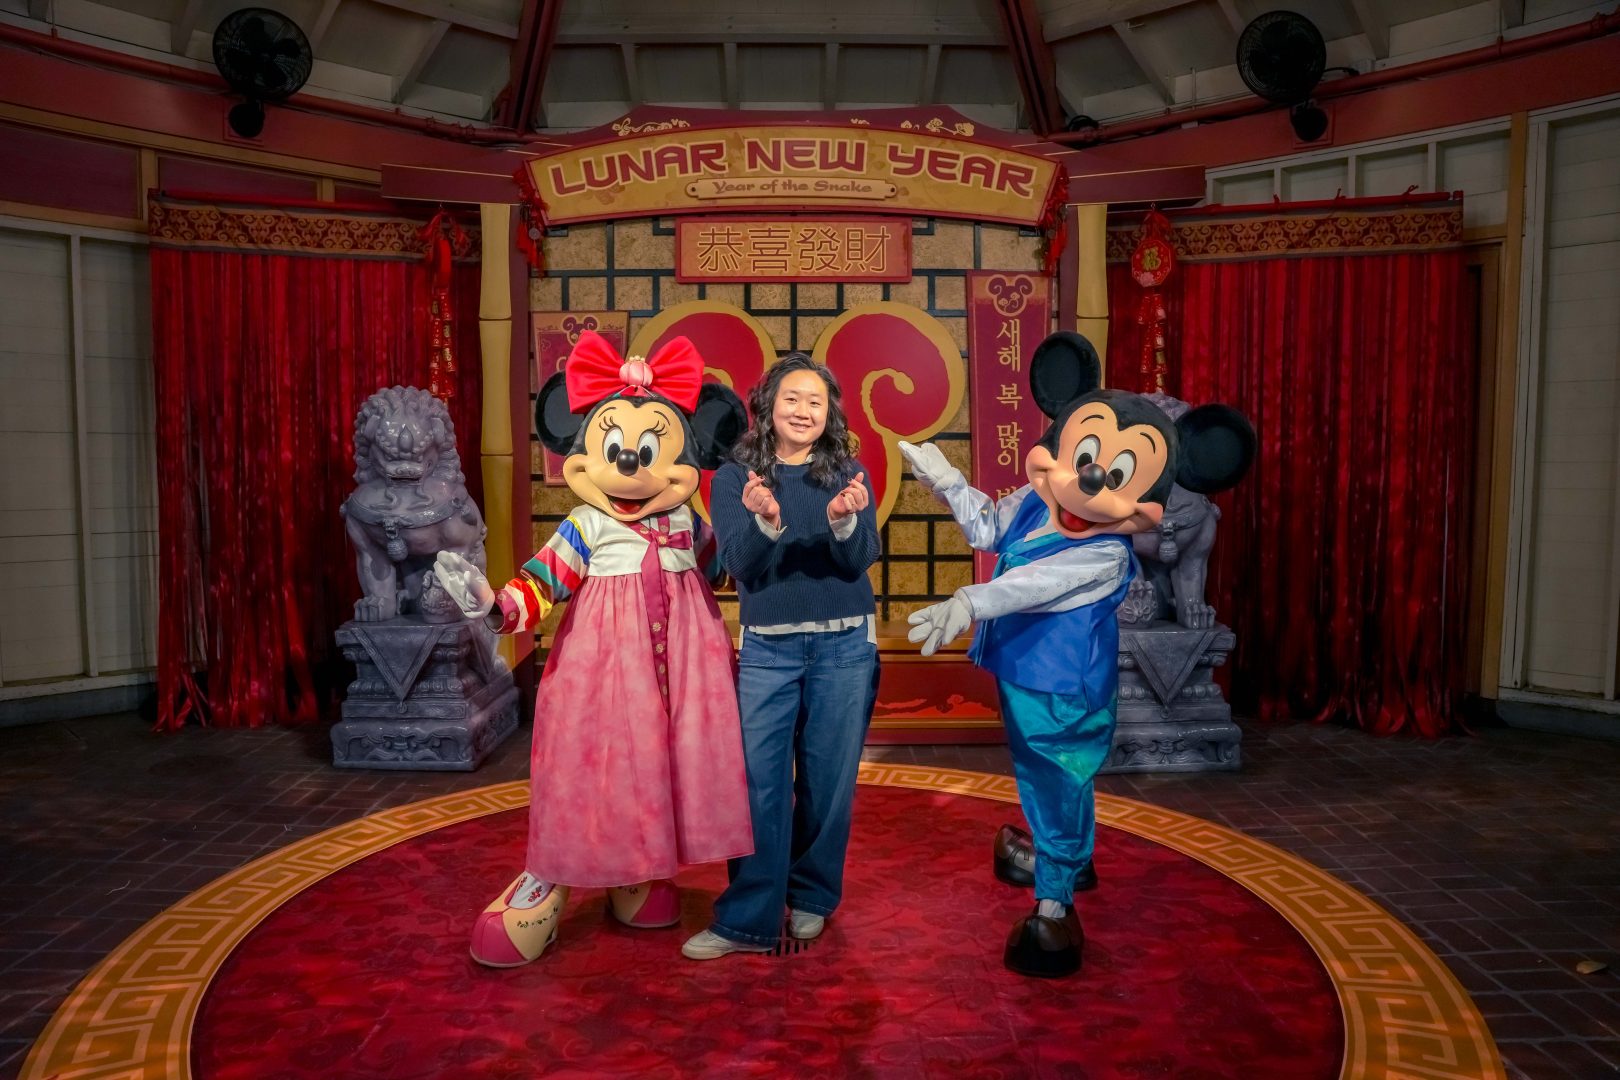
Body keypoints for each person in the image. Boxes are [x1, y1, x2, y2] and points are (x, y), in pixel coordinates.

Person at [437, 331, 754, 966]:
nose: (631, 465)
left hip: (686, 680)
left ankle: (636, 869)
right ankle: (549, 875)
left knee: (665, 765)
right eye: (614, 448)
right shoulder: (587, 523)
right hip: (604, 674)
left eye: (648, 449)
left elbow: (727, 569)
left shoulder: (691, 521)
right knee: (592, 763)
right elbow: (542, 582)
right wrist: (493, 605)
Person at [681, 353, 881, 960]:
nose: (804, 410)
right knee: (759, 787)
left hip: (846, 642)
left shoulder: (846, 471)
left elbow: (860, 558)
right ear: (768, 406)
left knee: (827, 783)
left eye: (816, 402)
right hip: (770, 648)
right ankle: (747, 916)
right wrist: (766, 520)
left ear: (830, 412)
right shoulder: (736, 476)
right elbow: (738, 565)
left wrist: (846, 522)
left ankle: (814, 898)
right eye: (792, 398)